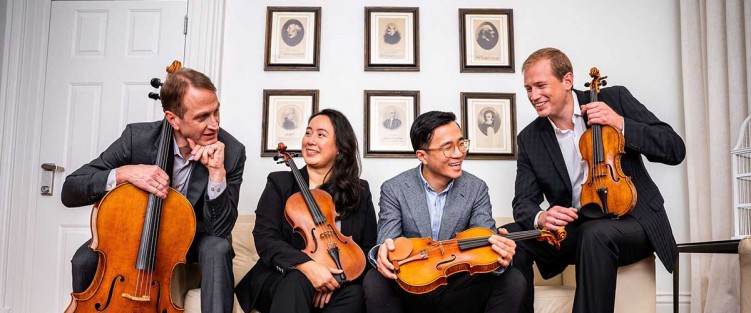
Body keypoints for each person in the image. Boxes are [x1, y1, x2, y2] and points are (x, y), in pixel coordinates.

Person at [507, 47, 686, 313]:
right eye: (528, 89)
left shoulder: (614, 99)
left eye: (540, 85)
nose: (534, 96)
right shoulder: (530, 138)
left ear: (567, 80)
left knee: (595, 234)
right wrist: (541, 217)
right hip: (578, 225)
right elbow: (523, 201)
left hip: (632, 221)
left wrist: (620, 122)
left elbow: (674, 149)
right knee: (512, 237)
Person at [62, 67, 247, 313]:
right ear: (173, 119)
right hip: (137, 232)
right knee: (84, 259)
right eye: (203, 116)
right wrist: (123, 173)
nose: (214, 124)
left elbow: (220, 229)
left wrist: (217, 173)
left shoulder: (231, 151)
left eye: (216, 111)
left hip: (192, 238)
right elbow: (70, 190)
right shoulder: (136, 138)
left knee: (218, 247)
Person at [363, 111, 525, 313]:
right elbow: (387, 241)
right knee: (374, 279)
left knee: (513, 279)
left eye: (461, 143)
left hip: (458, 288)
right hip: (412, 286)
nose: (459, 153)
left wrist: (500, 256)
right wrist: (382, 252)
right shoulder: (394, 188)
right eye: (448, 148)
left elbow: (485, 239)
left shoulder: (476, 188)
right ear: (422, 156)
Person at [235, 109, 377, 313]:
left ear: (340, 147)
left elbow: (367, 247)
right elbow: (265, 238)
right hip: (282, 278)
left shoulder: (359, 191)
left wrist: (332, 281)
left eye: (321, 135)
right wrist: (308, 268)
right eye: (308, 133)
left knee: (355, 296)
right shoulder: (279, 183)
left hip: (337, 285)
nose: (310, 140)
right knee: (296, 280)